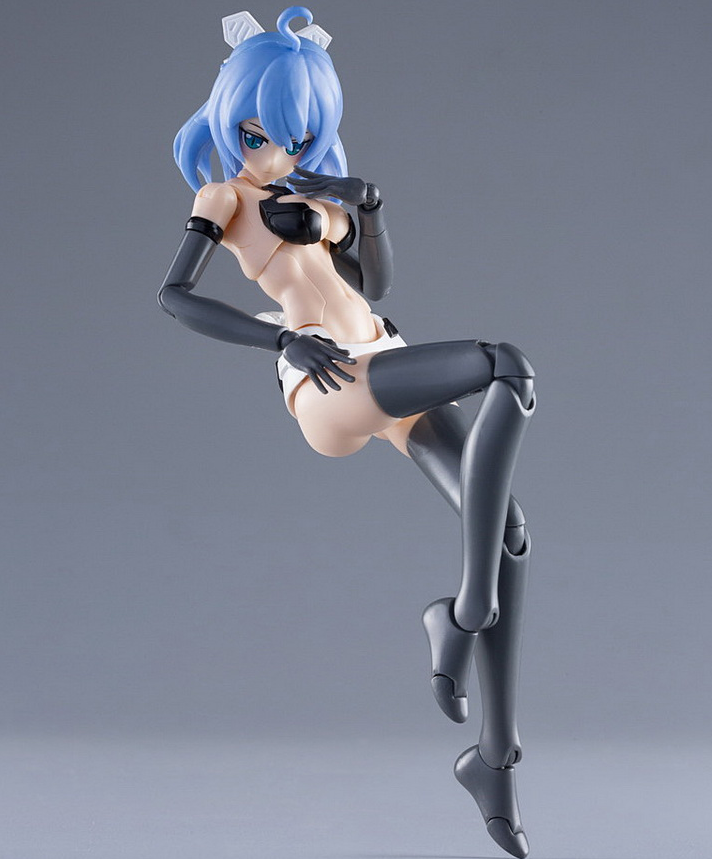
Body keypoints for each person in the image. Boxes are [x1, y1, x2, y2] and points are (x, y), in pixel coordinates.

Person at [158, 8, 536, 858]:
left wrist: (370, 209)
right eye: (257, 134)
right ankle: (463, 613)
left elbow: (372, 282)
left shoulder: (308, 189)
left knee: (510, 531)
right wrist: (278, 342)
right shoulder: (224, 198)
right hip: (327, 377)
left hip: (384, 354)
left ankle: (494, 759)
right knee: (505, 364)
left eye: (294, 137)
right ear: (231, 115)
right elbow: (174, 297)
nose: (274, 153)